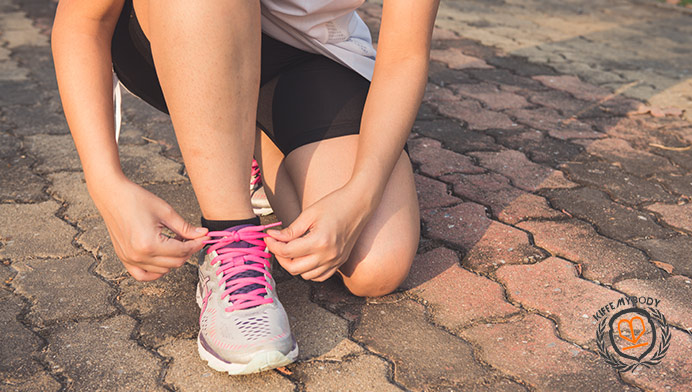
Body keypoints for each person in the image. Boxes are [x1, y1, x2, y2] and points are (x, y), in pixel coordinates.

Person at [52, 0, 439, 375]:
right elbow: (83, 21)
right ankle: (230, 238)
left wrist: (360, 195)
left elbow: (405, 54)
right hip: (180, 24)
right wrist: (106, 183)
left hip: (310, 50)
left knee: (376, 263)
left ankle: (244, 139)